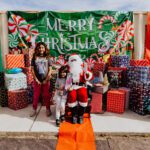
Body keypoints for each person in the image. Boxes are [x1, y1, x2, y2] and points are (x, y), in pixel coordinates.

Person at [67, 54, 93, 124]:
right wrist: (67, 86)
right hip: (72, 86)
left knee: (83, 96)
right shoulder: (68, 68)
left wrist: (87, 74)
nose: (73, 62)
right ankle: (74, 115)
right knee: (72, 97)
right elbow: (64, 77)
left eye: (75, 60)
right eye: (72, 60)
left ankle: (80, 115)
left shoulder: (83, 67)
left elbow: (90, 75)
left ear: (78, 60)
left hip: (81, 85)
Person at [30, 42, 52, 117]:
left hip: (46, 80)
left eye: (42, 47)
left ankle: (48, 109)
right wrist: (36, 79)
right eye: (39, 47)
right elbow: (32, 69)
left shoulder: (48, 57)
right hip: (37, 80)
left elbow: (50, 69)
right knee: (36, 95)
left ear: (45, 48)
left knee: (46, 95)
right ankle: (34, 109)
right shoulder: (34, 57)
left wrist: (47, 79)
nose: (41, 49)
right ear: (37, 49)